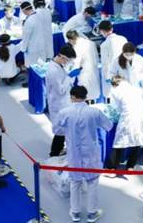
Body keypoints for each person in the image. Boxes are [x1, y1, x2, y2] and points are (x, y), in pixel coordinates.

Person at [53, 85, 112, 223]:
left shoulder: (64, 112)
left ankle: (75, 213)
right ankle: (92, 213)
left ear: (72, 97)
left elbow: (56, 130)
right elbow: (108, 125)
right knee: (92, 182)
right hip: (91, 152)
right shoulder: (94, 112)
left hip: (74, 153)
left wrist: (68, 132)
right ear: (86, 96)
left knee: (75, 182)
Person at [106, 76, 143, 174]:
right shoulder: (135, 88)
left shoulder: (115, 90)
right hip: (140, 116)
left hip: (128, 117)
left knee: (120, 142)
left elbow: (116, 107)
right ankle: (131, 166)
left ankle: (112, 166)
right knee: (137, 141)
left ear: (114, 84)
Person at [47, 44, 77, 157]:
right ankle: (54, 154)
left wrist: (70, 76)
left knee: (64, 130)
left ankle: (59, 150)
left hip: (64, 102)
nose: (67, 63)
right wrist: (69, 77)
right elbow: (60, 90)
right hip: (58, 104)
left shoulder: (59, 65)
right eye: (67, 60)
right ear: (62, 57)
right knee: (60, 131)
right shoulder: (53, 71)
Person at [65, 31, 100, 99]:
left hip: (84, 72)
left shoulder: (77, 47)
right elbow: (96, 58)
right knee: (94, 90)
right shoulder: (90, 42)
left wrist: (70, 75)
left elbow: (76, 63)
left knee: (87, 93)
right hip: (94, 69)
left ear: (70, 40)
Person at [99, 20, 127, 97]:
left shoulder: (104, 45)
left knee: (113, 96)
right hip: (124, 69)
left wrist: (107, 77)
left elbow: (105, 63)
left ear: (102, 31)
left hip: (113, 73)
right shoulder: (123, 39)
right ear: (112, 28)